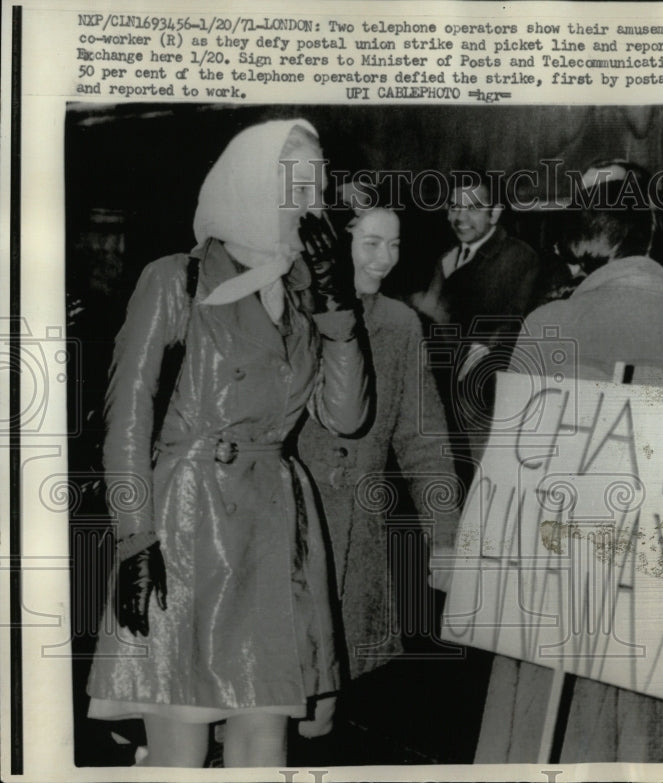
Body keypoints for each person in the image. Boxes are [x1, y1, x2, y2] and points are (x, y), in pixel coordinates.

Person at [86, 119, 373, 767]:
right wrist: (134, 535)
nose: (311, 198)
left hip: (274, 530)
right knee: (180, 749)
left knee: (263, 743)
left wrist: (337, 313)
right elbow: (126, 420)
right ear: (248, 185)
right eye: (295, 181)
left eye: (316, 183)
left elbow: (347, 417)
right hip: (187, 525)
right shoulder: (174, 280)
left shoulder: (305, 294)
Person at [474, 173, 663, 762]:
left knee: (540, 727)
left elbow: (508, 468)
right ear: (651, 242)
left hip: (551, 570)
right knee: (635, 731)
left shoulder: (549, 325)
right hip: (652, 575)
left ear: (580, 243)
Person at [297, 204, 461, 688]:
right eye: (371, 243)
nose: (385, 259)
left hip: (359, 542)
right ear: (329, 244)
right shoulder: (287, 313)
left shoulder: (400, 323)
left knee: (325, 707)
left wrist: (445, 537)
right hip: (290, 531)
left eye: (394, 245)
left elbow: (423, 442)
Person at [410, 173, 540, 481]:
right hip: (441, 397)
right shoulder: (445, 258)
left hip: (483, 405)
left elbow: (512, 327)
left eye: (472, 207)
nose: (459, 216)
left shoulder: (519, 258)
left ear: (494, 212)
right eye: (454, 207)